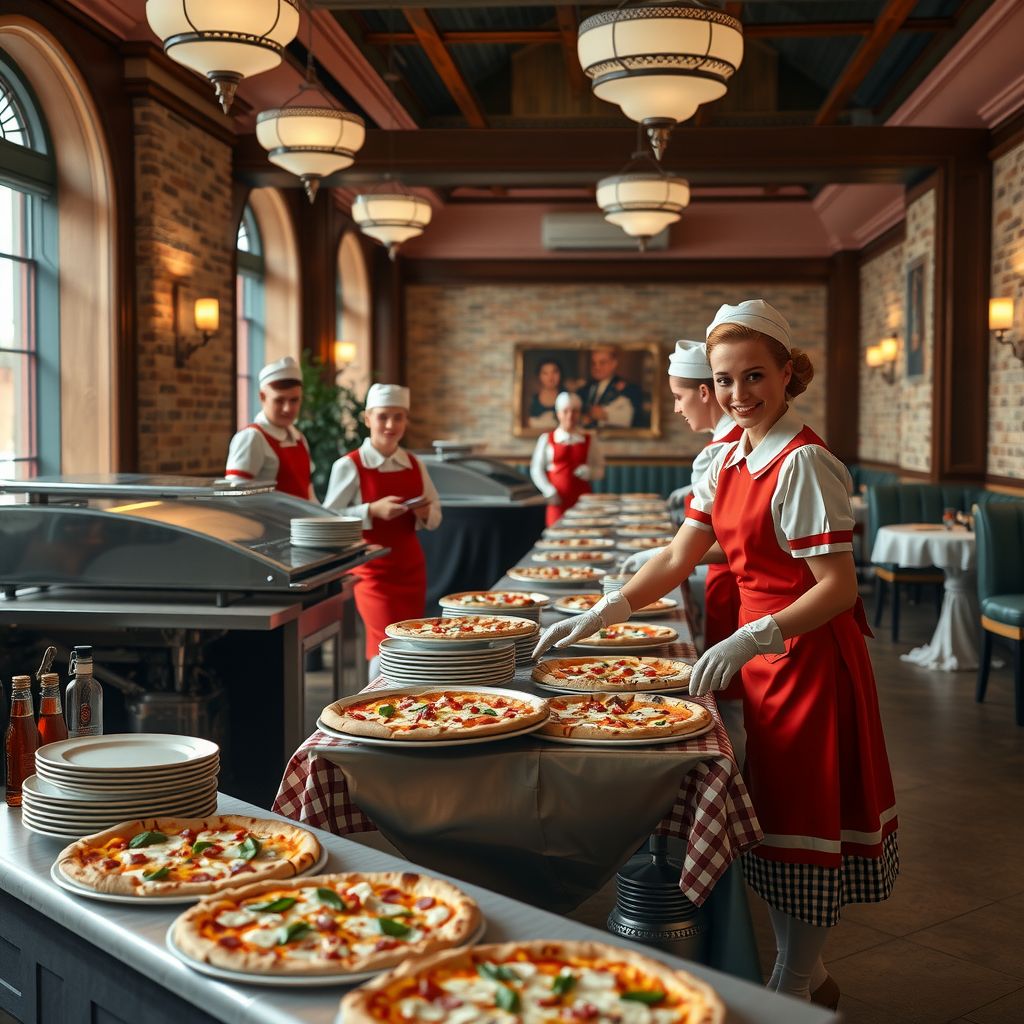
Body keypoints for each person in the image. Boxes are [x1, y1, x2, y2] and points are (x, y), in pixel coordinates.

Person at [535, 300, 897, 1012]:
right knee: (777, 815)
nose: (738, 395)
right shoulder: (728, 455)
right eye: (726, 380)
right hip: (763, 657)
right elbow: (678, 556)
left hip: (809, 660)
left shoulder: (805, 463)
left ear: (790, 373)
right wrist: (604, 611)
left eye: (755, 376)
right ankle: (806, 979)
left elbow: (836, 588)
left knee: (806, 819)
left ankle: (797, 981)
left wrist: (750, 637)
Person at [621, 339, 746, 758]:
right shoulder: (731, 442)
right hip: (733, 586)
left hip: (737, 588)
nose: (676, 408)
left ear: (704, 392)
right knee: (740, 704)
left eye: (679, 397)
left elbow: (736, 542)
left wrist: (653, 559)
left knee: (735, 705)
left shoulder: (724, 449)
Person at [323, 384, 442, 672]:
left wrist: (425, 513)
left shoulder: (415, 463)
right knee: (384, 644)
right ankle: (373, 710)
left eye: (398, 417)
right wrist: (371, 510)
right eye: (383, 416)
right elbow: (327, 517)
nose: (391, 425)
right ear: (367, 419)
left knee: (411, 643)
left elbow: (437, 516)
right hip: (371, 569)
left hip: (411, 567)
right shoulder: (349, 465)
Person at [225, 356, 316, 500]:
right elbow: (235, 498)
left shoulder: (299, 439)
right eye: (279, 400)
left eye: (294, 400)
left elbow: (309, 494)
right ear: (262, 397)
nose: (287, 408)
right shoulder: (251, 437)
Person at [530, 392, 606, 526]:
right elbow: (536, 469)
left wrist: (590, 472)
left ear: (580, 413)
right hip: (557, 502)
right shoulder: (546, 439)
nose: (570, 416)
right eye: (566, 411)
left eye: (575, 411)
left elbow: (600, 470)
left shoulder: (590, 439)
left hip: (583, 503)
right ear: (558, 413)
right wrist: (548, 489)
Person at [577, 347, 643, 429]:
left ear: (613, 364)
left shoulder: (629, 390)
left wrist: (605, 414)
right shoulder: (584, 390)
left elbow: (633, 420)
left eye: (602, 363)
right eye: (593, 363)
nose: (597, 367)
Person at [527, 358, 564, 431]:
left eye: (554, 372)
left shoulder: (567, 398)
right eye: (545, 373)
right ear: (539, 376)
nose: (550, 377)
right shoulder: (532, 400)